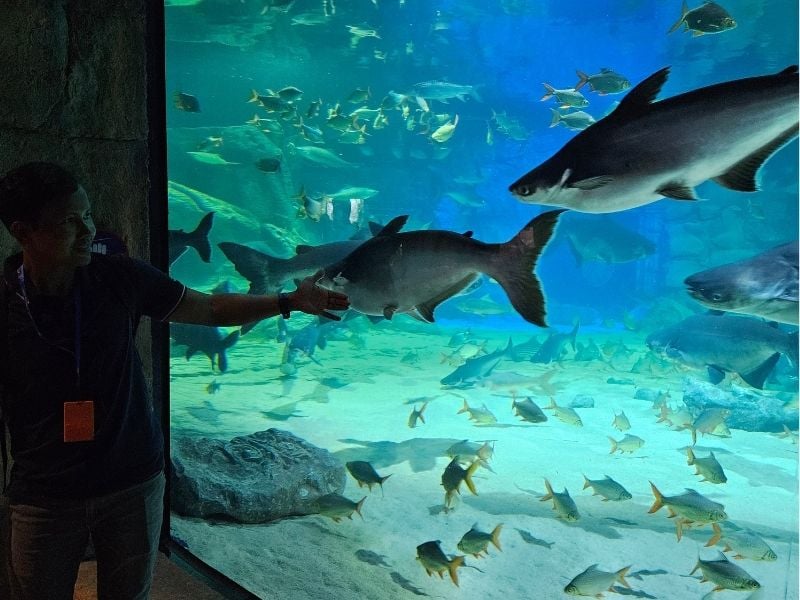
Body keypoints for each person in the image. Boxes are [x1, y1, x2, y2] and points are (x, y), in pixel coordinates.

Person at [0, 161, 350, 600]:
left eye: (86, 215)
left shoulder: (120, 277)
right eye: (67, 222)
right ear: (23, 231)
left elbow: (210, 310)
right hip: (44, 494)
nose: (86, 230)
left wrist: (288, 300)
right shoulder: (7, 301)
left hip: (132, 481)